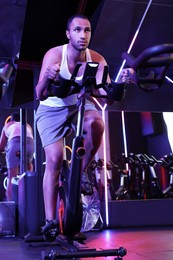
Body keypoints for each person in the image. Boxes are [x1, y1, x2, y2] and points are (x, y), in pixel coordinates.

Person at [35, 14, 132, 234]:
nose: (83, 35)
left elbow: (107, 93)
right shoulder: (54, 55)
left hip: (79, 105)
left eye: (87, 30)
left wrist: (123, 82)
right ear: (68, 34)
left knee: (97, 123)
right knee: (55, 159)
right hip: (51, 109)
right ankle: (50, 221)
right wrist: (46, 78)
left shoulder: (96, 58)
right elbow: (39, 94)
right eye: (77, 30)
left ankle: (82, 171)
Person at [0, 112, 34, 201]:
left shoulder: (8, 125)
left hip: (14, 144)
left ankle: (11, 203)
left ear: (11, 120)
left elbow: (1, 146)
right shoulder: (27, 125)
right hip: (30, 143)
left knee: (11, 176)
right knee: (28, 172)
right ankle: (30, 198)